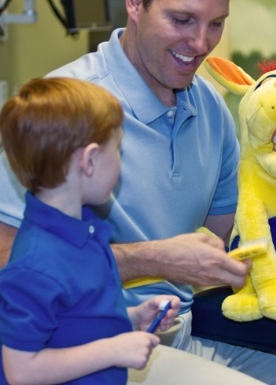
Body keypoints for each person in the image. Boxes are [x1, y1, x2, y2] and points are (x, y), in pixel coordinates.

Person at [0, 0, 276, 384]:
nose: (201, 44)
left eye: (216, 24)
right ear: (136, 2)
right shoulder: (67, 107)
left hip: (186, 331)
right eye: (182, 20)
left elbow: (219, 248)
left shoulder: (211, 110)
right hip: (94, 347)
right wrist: (154, 259)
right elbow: (10, 261)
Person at [0, 77, 180, 384]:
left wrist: (134, 317)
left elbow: (79, 319)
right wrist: (113, 350)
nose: (120, 164)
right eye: (118, 150)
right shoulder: (35, 265)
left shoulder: (86, 231)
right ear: (90, 160)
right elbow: (21, 370)